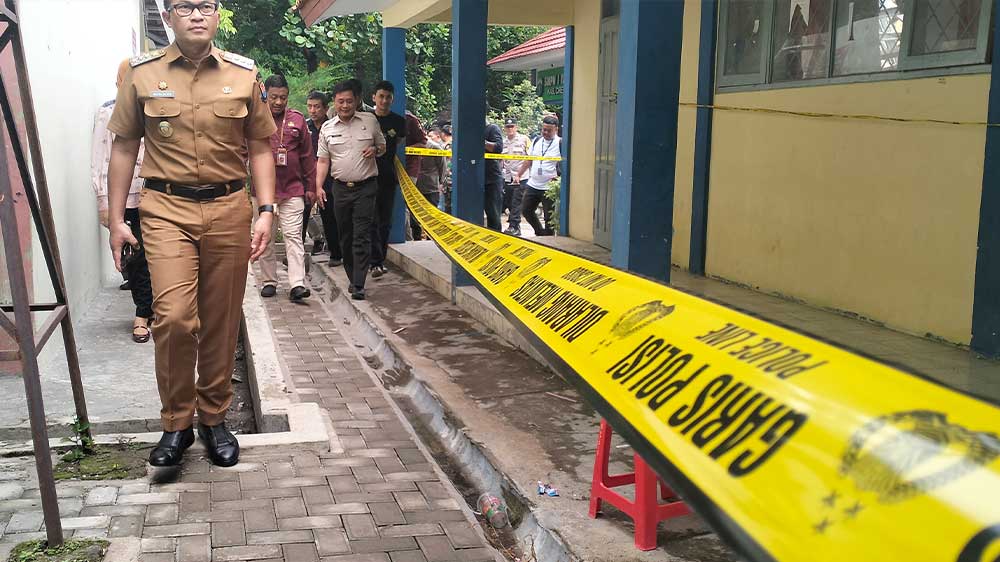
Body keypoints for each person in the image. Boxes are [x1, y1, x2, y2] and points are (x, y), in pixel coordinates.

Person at [106, 0, 277, 468]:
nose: (197, 14)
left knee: (221, 319)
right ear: (168, 17)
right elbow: (124, 146)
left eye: (206, 5)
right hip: (166, 210)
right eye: (185, 6)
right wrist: (116, 218)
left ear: (217, 15)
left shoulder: (244, 74)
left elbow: (261, 146)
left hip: (228, 208)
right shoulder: (141, 74)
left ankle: (214, 418)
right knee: (175, 318)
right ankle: (177, 422)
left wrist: (265, 210)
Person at [93, 58, 154, 343]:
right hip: (125, 198)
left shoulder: (154, 108)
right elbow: (99, 158)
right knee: (137, 257)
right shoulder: (107, 112)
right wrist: (103, 202)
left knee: (160, 255)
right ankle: (142, 313)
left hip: (155, 194)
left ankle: (157, 309)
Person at [315, 80, 386, 301]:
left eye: (349, 101)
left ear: (357, 101)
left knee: (361, 235)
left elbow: (382, 146)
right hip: (340, 188)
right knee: (345, 235)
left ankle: (359, 283)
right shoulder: (327, 128)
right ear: (334, 103)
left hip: (366, 187)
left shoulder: (370, 121)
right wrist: (318, 186)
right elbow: (323, 161)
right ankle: (352, 275)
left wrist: (375, 149)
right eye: (340, 102)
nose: (345, 106)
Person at [256, 74, 314, 301]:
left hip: (292, 189)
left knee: (293, 236)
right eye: (274, 97)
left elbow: (307, 156)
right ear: (265, 95)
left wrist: (311, 186)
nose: (279, 102)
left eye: (283, 97)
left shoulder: (297, 120)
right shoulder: (255, 118)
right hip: (263, 193)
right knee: (266, 238)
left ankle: (297, 284)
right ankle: (269, 281)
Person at [368, 81, 426, 277]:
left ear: (392, 99)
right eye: (381, 96)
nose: (384, 101)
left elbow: (398, 141)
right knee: (370, 220)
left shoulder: (399, 122)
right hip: (366, 176)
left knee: (385, 221)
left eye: (388, 97)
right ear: (374, 97)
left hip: (387, 176)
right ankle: (372, 260)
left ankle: (379, 261)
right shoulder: (366, 119)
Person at [306, 90, 342, 267]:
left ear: (326, 108)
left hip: (329, 179)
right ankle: (296, 255)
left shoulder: (334, 127)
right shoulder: (304, 127)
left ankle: (336, 253)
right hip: (307, 178)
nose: (313, 111)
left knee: (330, 217)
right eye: (310, 106)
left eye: (317, 107)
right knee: (301, 216)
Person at [518, 115, 561, 236]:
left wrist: (559, 179)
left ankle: (548, 238)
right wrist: (519, 174)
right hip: (533, 184)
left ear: (556, 129)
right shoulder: (536, 141)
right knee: (526, 210)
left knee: (549, 218)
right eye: (544, 129)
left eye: (549, 130)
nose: (545, 132)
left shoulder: (560, 143)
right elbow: (529, 159)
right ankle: (540, 233)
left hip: (549, 187)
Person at [412, 126, 446, 240]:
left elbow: (442, 167)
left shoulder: (435, 147)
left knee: (431, 216)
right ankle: (418, 238)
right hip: (416, 187)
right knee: (415, 217)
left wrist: (440, 182)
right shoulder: (411, 146)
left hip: (430, 187)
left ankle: (430, 239)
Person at [500, 117, 530, 237]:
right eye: (508, 127)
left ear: (516, 127)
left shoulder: (524, 139)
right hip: (508, 177)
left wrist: (519, 174)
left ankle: (514, 226)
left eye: (512, 126)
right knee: (508, 201)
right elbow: (501, 160)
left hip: (521, 177)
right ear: (504, 128)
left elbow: (529, 158)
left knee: (516, 202)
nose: (510, 129)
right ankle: (515, 225)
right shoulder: (503, 142)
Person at [483, 119, 504, 231]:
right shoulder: (470, 131)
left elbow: (498, 147)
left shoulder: (492, 128)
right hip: (474, 177)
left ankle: (496, 236)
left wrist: (482, 141)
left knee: (493, 214)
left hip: (491, 178)